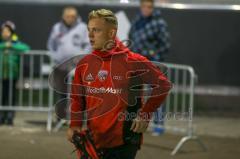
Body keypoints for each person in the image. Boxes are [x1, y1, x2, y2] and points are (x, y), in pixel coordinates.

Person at [67, 9, 171, 159]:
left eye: (96, 30)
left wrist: (145, 113)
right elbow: (77, 98)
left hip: (124, 143)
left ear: (111, 33)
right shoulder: (84, 63)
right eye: (89, 30)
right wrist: (75, 125)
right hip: (92, 142)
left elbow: (163, 85)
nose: (90, 35)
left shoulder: (132, 60)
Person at [129, 0, 171, 135]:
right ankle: (136, 122)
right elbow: (131, 38)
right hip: (137, 64)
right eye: (145, 6)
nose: (147, 9)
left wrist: (155, 57)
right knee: (136, 95)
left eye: (150, 7)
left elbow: (165, 44)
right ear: (141, 7)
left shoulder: (159, 23)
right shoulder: (136, 21)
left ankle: (159, 125)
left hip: (153, 64)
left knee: (156, 93)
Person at [47, 6, 91, 120]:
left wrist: (80, 57)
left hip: (77, 67)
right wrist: (56, 56)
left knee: (78, 92)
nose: (70, 18)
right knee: (61, 91)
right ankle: (61, 118)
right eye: (68, 16)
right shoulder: (57, 28)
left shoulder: (83, 28)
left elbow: (88, 45)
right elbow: (51, 45)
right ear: (63, 16)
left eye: (73, 16)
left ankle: (77, 117)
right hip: (60, 66)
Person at [0, 21, 30, 125]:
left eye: (7, 31)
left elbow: (26, 48)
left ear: (12, 33)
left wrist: (11, 46)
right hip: (1, 75)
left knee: (11, 96)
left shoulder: (16, 44)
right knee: (2, 96)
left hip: (12, 75)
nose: (5, 33)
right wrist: (5, 46)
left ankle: (9, 116)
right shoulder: (1, 44)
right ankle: (1, 116)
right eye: (3, 31)